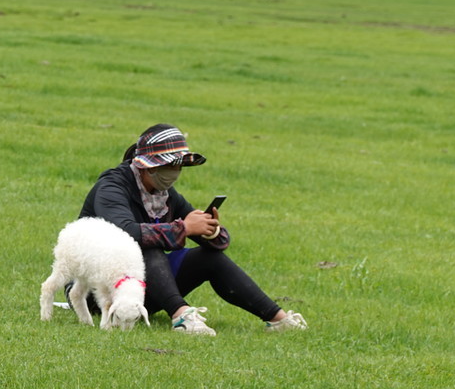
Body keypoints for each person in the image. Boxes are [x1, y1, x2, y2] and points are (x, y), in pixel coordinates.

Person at [75, 123, 308, 335]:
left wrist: (210, 231)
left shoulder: (166, 195)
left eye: (178, 165)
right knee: (147, 248)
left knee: (210, 258)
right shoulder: (112, 187)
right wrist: (184, 228)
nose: (174, 172)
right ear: (147, 166)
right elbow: (128, 233)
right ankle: (181, 317)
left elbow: (218, 240)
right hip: (99, 295)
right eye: (169, 165)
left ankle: (278, 319)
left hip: (141, 291)